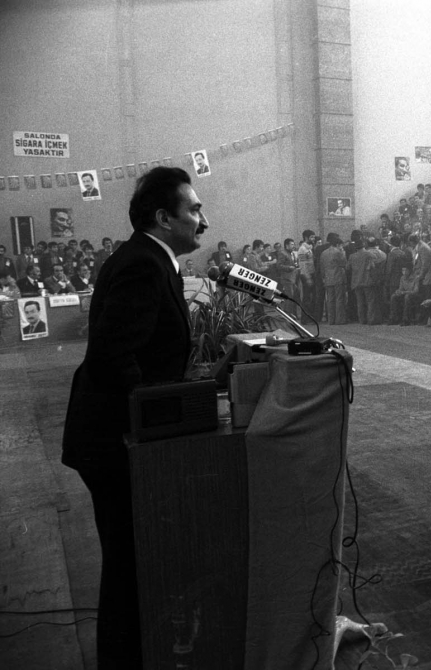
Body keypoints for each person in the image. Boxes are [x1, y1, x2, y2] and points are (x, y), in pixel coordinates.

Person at [62, 166, 208, 668]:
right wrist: (162, 412)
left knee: (132, 560)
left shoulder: (149, 259)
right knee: (127, 565)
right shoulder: (143, 264)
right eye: (194, 210)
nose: (202, 220)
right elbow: (113, 355)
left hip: (117, 435)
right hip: (113, 442)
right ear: (164, 218)